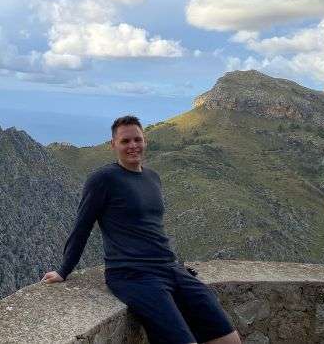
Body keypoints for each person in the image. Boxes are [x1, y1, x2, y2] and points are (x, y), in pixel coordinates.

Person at [41, 115, 241, 344]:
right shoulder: (103, 179)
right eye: (125, 141)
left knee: (229, 339)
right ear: (113, 145)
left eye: (137, 139)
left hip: (170, 269)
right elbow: (82, 226)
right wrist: (63, 270)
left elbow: (150, 227)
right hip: (132, 275)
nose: (133, 146)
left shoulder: (152, 177)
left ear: (145, 141)